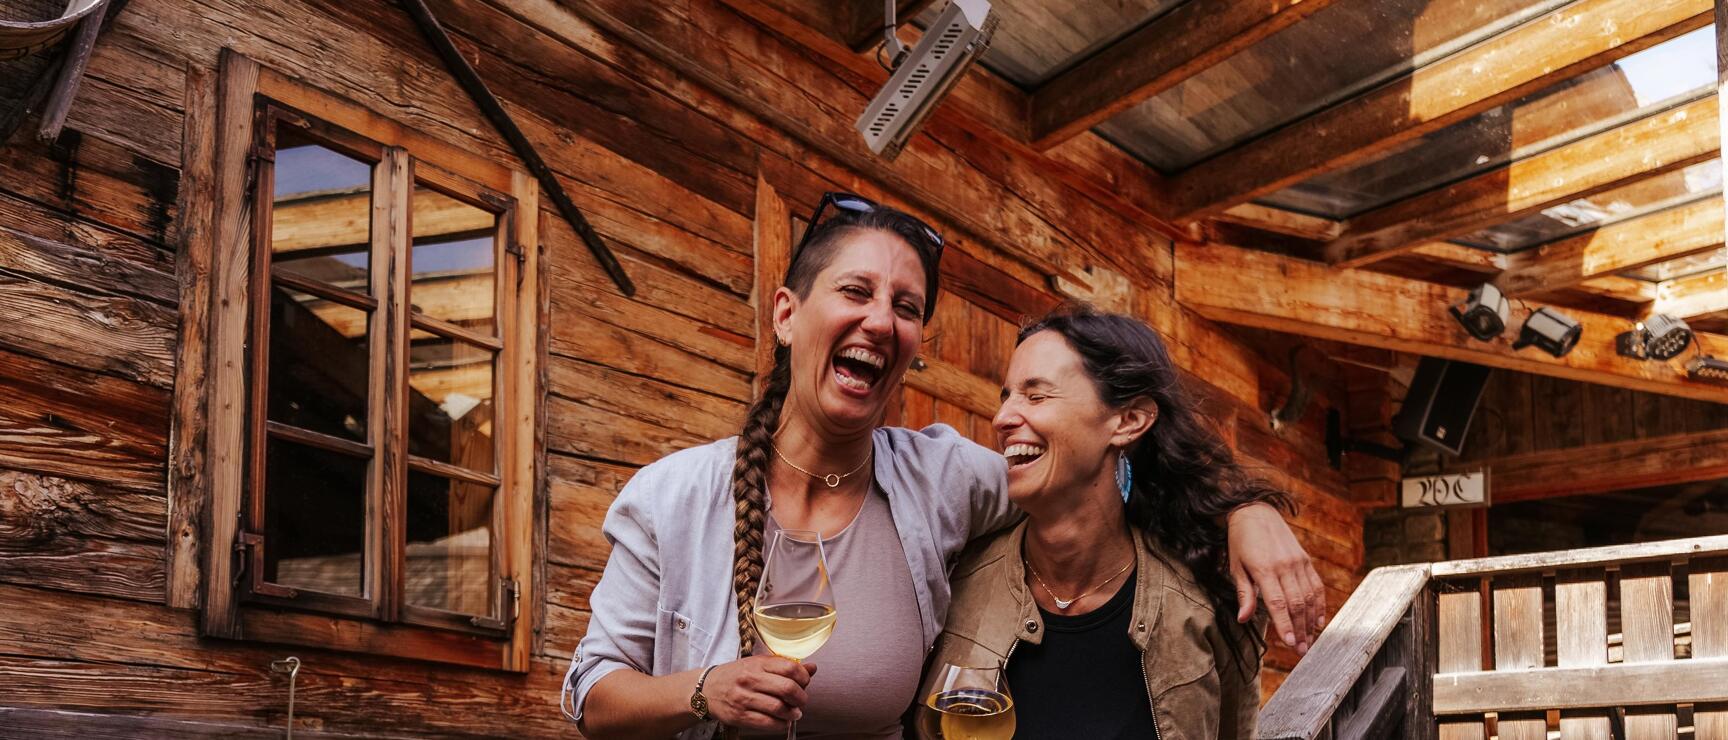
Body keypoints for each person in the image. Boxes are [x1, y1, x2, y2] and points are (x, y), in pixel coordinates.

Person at [563, 193, 1322, 739]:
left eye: (906, 306)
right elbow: (593, 693)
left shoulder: (942, 480)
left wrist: (1242, 512)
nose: (880, 319)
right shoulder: (673, 496)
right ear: (787, 314)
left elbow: (1092, 482)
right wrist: (705, 691)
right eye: (856, 291)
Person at [927, 305, 1280, 739]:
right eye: (1007, 396)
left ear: (1127, 420)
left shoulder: (1207, 598)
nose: (1002, 418)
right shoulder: (955, 575)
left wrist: (1251, 509)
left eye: (1036, 396)